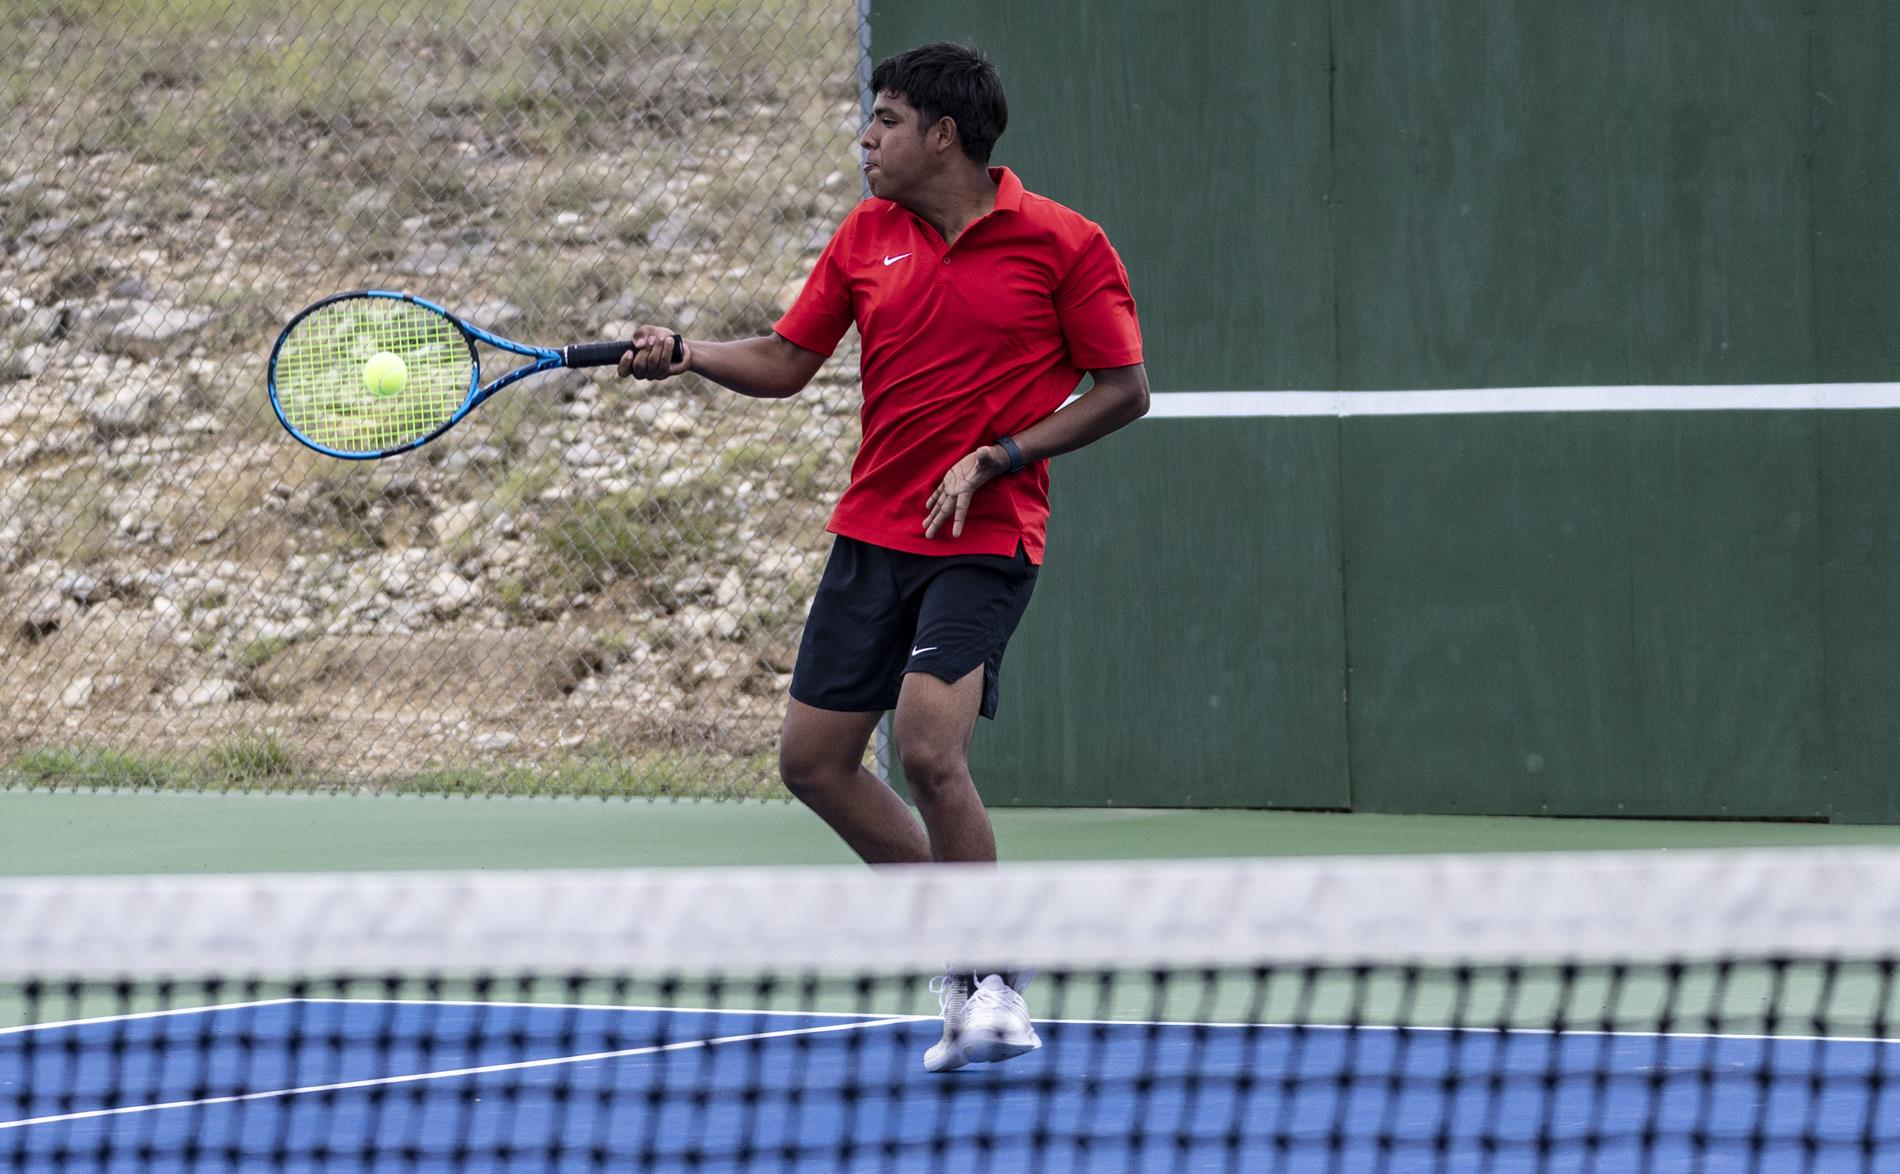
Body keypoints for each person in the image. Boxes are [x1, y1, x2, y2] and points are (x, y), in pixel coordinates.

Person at [617, 41, 1149, 1072]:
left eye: (887, 119)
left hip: (982, 537)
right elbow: (783, 361)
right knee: (812, 763)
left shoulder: (1063, 245)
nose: (867, 137)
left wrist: (999, 457)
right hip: (871, 534)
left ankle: (987, 978)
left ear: (941, 134)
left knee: (926, 748)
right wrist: (685, 353)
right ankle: (973, 947)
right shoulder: (866, 237)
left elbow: (1123, 389)